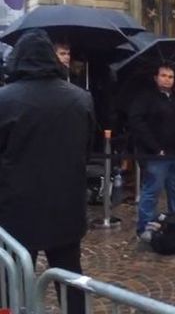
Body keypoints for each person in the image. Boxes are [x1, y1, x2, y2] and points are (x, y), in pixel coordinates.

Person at [0, 29, 95, 314]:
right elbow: (86, 149)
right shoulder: (81, 98)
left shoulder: (5, 100)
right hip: (65, 206)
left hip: (16, 209)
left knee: (10, 281)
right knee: (69, 279)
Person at [129, 64, 175, 241]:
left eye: (171, 76)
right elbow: (137, 123)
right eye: (164, 75)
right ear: (155, 77)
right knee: (152, 189)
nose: (167, 79)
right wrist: (154, 147)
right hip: (157, 154)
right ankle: (144, 226)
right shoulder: (145, 98)